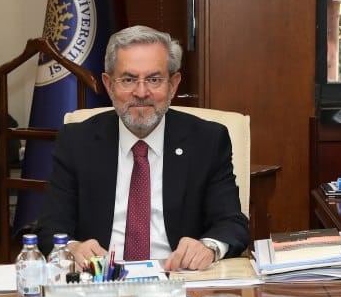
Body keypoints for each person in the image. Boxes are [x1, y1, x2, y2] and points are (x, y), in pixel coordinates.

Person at [37, 25, 249, 271]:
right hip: (102, 282)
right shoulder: (77, 140)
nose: (141, 92)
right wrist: (73, 247)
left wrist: (208, 247)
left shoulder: (208, 140)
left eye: (154, 79)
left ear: (173, 84)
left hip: (180, 279)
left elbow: (232, 222)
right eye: (128, 79)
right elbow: (50, 227)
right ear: (108, 84)